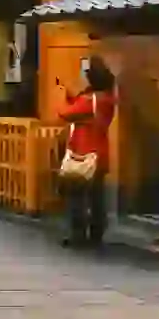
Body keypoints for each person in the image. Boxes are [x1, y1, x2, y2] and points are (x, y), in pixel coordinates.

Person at [57, 55, 117, 248]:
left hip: (82, 153)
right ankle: (97, 233)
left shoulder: (88, 100)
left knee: (76, 196)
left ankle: (78, 234)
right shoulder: (107, 99)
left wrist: (61, 95)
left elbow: (64, 113)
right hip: (100, 153)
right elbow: (83, 107)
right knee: (97, 196)